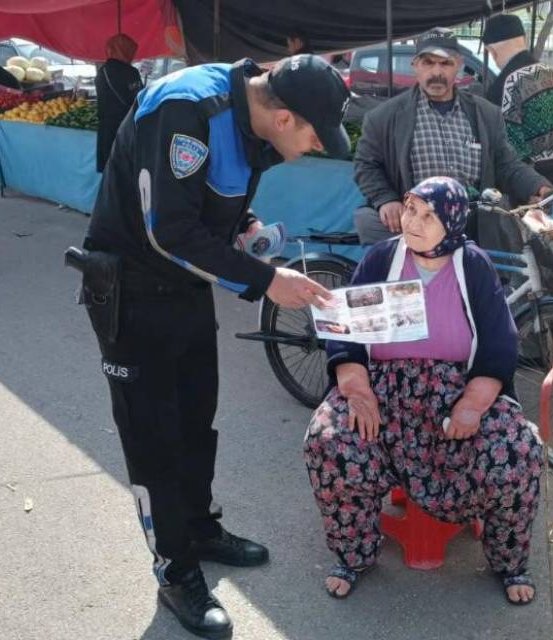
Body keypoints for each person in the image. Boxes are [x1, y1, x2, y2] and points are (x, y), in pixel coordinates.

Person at [81, 54, 350, 639]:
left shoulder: (249, 116)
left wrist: (247, 228)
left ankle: (199, 528)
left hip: (185, 288)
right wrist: (266, 281)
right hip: (130, 291)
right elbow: (168, 228)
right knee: (153, 437)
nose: (312, 147)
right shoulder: (186, 107)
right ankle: (174, 568)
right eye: (311, 134)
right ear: (283, 117)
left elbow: (208, 196)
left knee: (196, 420)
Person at [304, 176, 543, 605]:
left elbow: (499, 345)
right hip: (383, 390)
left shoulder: (473, 264)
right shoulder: (381, 258)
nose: (413, 220)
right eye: (411, 208)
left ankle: (510, 562)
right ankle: (353, 554)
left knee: (518, 449)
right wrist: (357, 390)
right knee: (330, 441)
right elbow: (345, 334)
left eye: (428, 214)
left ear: (451, 221)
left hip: (456, 392)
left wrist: (473, 405)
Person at [352, 28, 553, 246]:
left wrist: (538, 186)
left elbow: (507, 164)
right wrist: (386, 199)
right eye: (428, 62)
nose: (436, 71)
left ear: (458, 65)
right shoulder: (384, 117)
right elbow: (366, 164)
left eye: (445, 63)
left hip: (471, 227)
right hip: (417, 227)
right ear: (415, 67)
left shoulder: (485, 114)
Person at [482, 14, 553, 183]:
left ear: (492, 51)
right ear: (523, 39)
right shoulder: (552, 74)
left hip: (530, 185)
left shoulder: (506, 85)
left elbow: (508, 149)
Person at [95, 34, 144, 173]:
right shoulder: (131, 72)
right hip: (127, 126)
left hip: (106, 129)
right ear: (126, 51)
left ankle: (109, 194)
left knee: (110, 170)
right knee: (126, 169)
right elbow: (140, 99)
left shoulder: (102, 72)